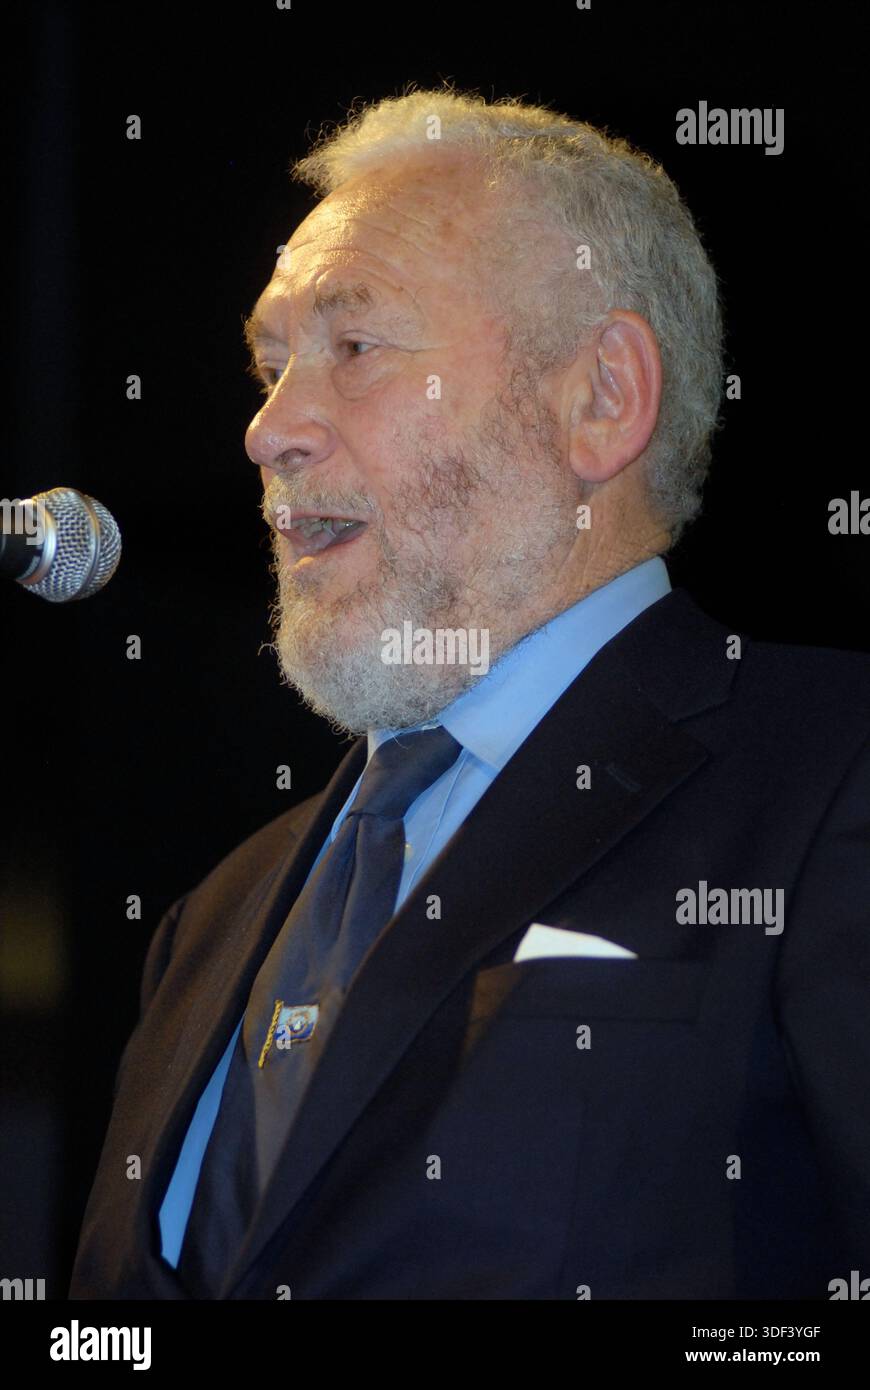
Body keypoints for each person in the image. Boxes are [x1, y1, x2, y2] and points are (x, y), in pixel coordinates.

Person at [70, 87, 870, 1300]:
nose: (268, 431)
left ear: (600, 396)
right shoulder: (214, 921)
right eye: (271, 365)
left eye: (355, 346)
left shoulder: (835, 776)